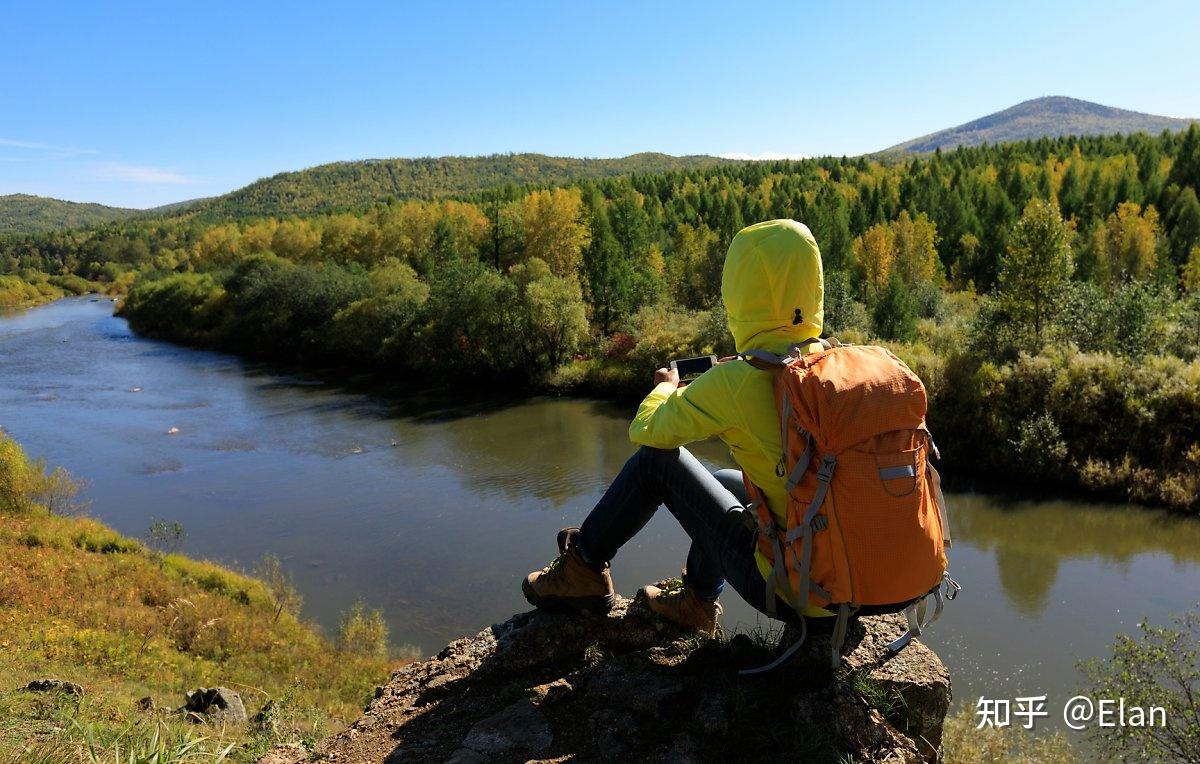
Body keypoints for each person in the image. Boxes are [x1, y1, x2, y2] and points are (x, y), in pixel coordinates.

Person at [523, 219, 833, 634]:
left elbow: (648, 430)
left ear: (740, 291)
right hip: (858, 585)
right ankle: (697, 600)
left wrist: (665, 388)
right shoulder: (835, 362)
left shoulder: (738, 382)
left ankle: (584, 567)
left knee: (655, 464)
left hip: (794, 592)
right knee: (726, 480)